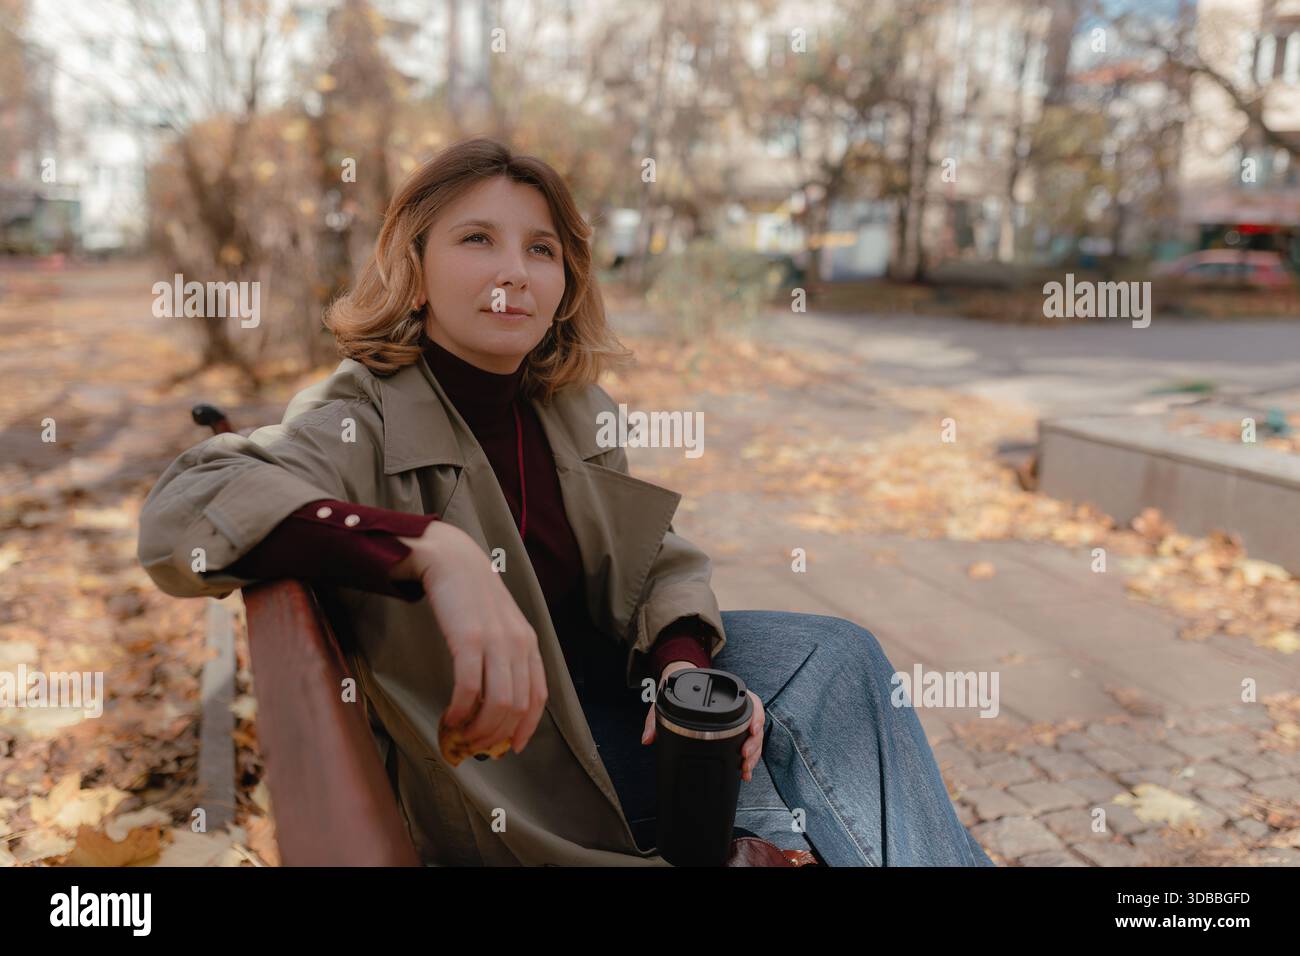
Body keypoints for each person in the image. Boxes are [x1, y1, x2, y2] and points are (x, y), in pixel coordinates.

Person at [137, 137, 993, 867]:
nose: (513, 272)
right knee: (847, 754)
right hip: (526, 783)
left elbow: (653, 560)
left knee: (836, 662)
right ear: (417, 266)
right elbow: (187, 507)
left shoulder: (566, 403)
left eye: (540, 249)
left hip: (630, 721)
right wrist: (434, 550)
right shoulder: (360, 410)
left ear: (564, 280)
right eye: (477, 239)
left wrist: (684, 671)